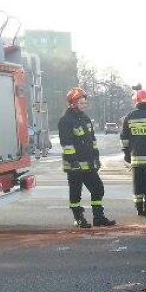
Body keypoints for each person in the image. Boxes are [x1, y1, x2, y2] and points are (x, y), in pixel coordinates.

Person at [58, 87, 116, 228]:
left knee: (98, 189)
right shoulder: (65, 121)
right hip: (74, 166)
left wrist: (96, 158)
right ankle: (78, 218)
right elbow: (66, 144)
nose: (84, 106)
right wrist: (74, 162)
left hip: (89, 164)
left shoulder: (85, 119)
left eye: (85, 103)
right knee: (76, 193)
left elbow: (92, 140)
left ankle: (98, 217)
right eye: (81, 103)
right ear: (73, 103)